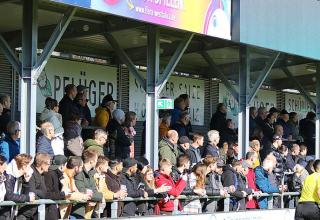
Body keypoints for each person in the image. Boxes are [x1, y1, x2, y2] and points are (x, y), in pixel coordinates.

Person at [17, 153, 57, 219]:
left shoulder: (41, 174)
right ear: (42, 164)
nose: (49, 166)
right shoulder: (31, 172)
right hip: (23, 213)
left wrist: (38, 193)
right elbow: (31, 192)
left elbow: (44, 192)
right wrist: (39, 193)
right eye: (48, 164)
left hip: (32, 212)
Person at [0, 154, 34, 219]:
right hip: (3, 213)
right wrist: (27, 198)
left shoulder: (19, 176)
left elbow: (24, 194)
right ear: (24, 166)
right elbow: (9, 196)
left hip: (11, 213)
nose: (30, 168)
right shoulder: (9, 175)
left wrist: (26, 182)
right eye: (29, 166)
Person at [72, 150, 103, 219]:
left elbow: (97, 193)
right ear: (91, 161)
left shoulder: (91, 173)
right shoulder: (79, 173)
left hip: (88, 211)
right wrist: (95, 197)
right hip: (78, 211)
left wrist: (95, 198)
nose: (97, 162)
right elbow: (82, 191)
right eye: (96, 160)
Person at [44, 155, 68, 220]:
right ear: (62, 165)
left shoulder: (56, 174)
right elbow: (47, 193)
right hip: (49, 209)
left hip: (52, 208)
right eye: (66, 165)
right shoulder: (51, 174)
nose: (66, 168)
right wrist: (63, 194)